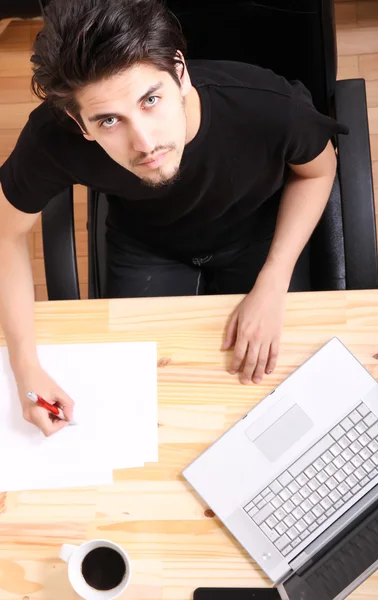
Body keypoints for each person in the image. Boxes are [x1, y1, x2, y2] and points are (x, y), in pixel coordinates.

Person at [0, 0, 347, 437]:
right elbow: (5, 235)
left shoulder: (265, 103)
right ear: (79, 122)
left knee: (280, 398)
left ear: (180, 73)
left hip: (258, 237)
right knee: (136, 410)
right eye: (109, 121)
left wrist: (274, 279)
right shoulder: (54, 139)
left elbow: (319, 170)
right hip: (147, 244)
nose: (145, 143)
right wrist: (25, 367)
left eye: (150, 99)